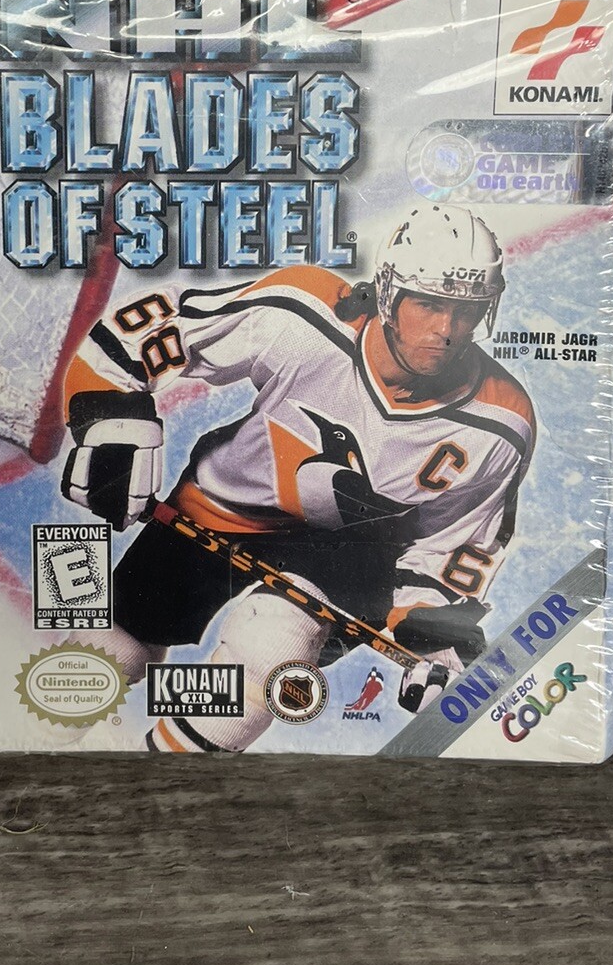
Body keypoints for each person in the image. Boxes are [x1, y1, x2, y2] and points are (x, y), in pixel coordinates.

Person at [60, 204, 535, 752]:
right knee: (104, 654)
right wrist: (114, 426)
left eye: (466, 310)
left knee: (270, 655)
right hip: (224, 505)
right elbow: (141, 334)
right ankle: (39, 743)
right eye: (428, 303)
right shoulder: (304, 312)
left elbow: (454, 543)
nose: (446, 331)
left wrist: (434, 633)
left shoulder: (502, 422)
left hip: (350, 554)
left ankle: (160, 785)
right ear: (388, 292)